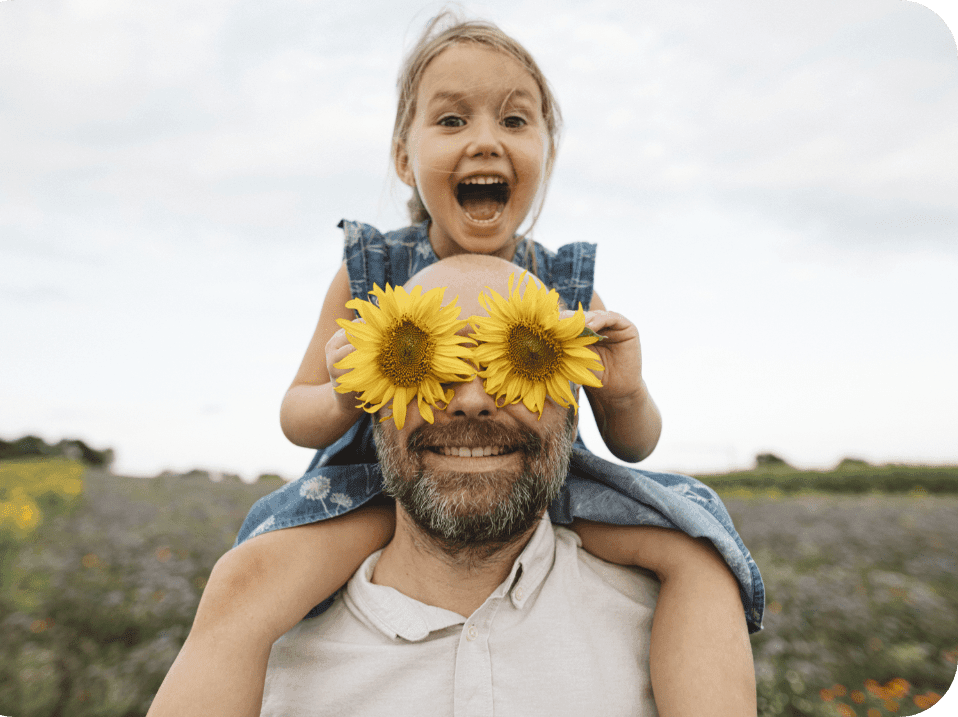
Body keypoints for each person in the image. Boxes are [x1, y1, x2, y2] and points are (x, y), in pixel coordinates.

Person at [148, 13, 762, 717]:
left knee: (696, 547)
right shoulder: (370, 272)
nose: (484, 140)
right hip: (370, 489)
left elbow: (635, 444)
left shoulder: (562, 282)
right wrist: (349, 392)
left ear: (545, 155)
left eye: (513, 120)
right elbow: (297, 412)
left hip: (551, 483)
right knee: (249, 578)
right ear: (404, 159)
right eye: (450, 119)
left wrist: (624, 393)